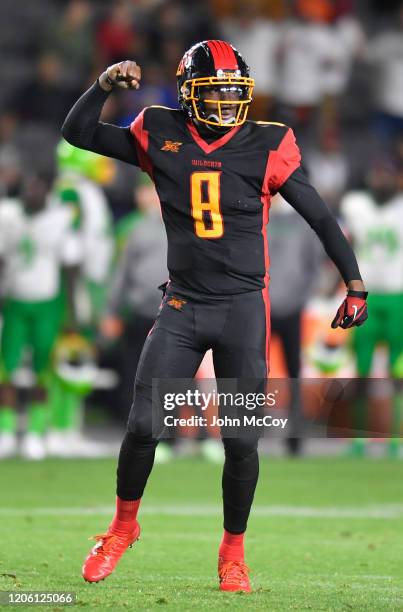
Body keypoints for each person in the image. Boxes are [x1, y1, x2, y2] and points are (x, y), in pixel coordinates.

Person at [62, 40, 368, 594]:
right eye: (215, 91)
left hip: (243, 310)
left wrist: (354, 281)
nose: (227, 101)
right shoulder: (160, 129)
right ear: (187, 93)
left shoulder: (267, 142)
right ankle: (122, 528)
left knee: (242, 441)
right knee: (141, 426)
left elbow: (321, 216)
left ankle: (233, 553)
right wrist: (104, 86)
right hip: (182, 304)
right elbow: (79, 134)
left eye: (234, 91)